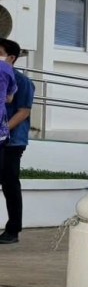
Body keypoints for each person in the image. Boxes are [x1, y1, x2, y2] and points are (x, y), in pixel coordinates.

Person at [0, 39, 33, 244]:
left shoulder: (22, 82)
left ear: (11, 58)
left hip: (12, 142)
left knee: (9, 184)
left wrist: (3, 130)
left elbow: (23, 112)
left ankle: (13, 230)